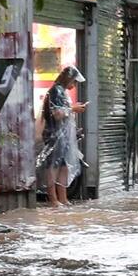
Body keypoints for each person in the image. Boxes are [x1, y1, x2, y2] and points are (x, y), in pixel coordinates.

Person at [38, 65, 85, 205]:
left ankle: (63, 198)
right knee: (53, 166)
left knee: (64, 166)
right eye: (74, 82)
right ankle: (53, 199)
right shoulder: (56, 91)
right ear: (68, 79)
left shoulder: (61, 91)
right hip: (54, 135)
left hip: (63, 135)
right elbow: (57, 114)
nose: (74, 85)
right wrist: (73, 108)